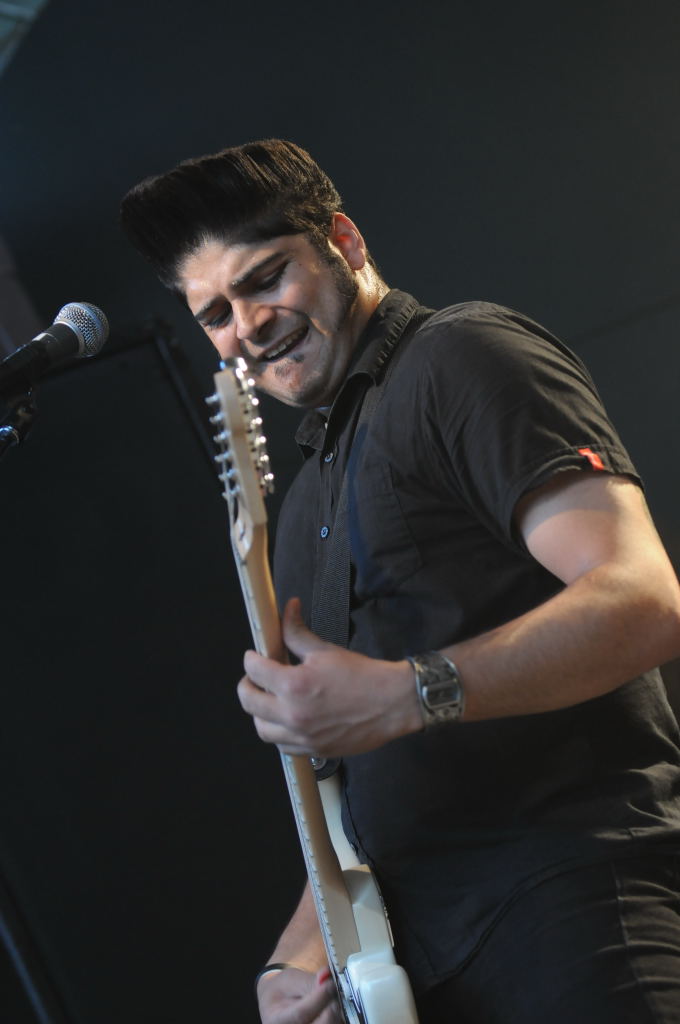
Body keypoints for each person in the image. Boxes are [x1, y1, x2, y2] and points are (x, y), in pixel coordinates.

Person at [120, 139, 680, 1023]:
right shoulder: (301, 512)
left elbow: (643, 600)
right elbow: (354, 818)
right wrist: (293, 966)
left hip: (574, 915)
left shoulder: (462, 355)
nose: (248, 325)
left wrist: (410, 692)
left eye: (266, 279)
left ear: (343, 243)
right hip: (431, 977)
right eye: (216, 313)